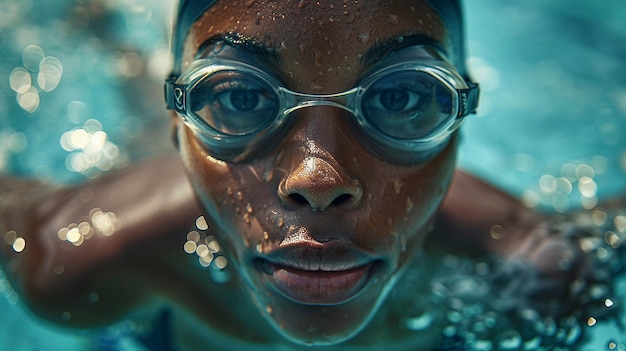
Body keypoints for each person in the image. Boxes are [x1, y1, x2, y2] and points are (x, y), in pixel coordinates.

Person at [0, 0, 620, 350]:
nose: (317, 178)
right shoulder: (80, 256)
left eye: (401, 98)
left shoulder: (529, 271)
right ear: (181, 127)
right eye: (238, 97)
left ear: (459, 122)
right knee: (133, 110)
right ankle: (105, 32)